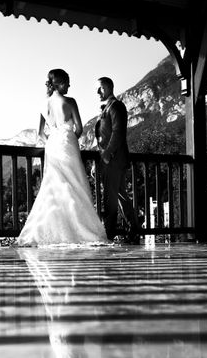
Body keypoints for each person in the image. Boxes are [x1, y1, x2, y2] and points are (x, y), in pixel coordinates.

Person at [17, 69, 108, 246]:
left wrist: (52, 140)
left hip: (52, 147)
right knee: (75, 185)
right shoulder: (70, 101)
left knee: (54, 187)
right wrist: (68, 137)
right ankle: (79, 229)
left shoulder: (44, 104)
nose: (69, 85)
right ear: (59, 83)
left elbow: (40, 133)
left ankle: (54, 230)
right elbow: (80, 129)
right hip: (67, 143)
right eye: (67, 82)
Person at [95, 76, 140, 243]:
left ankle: (109, 235)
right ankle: (133, 231)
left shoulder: (116, 106)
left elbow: (118, 133)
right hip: (113, 160)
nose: (97, 92)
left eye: (100, 88)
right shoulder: (108, 108)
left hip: (113, 160)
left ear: (107, 88)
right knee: (121, 197)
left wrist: (106, 155)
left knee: (110, 200)